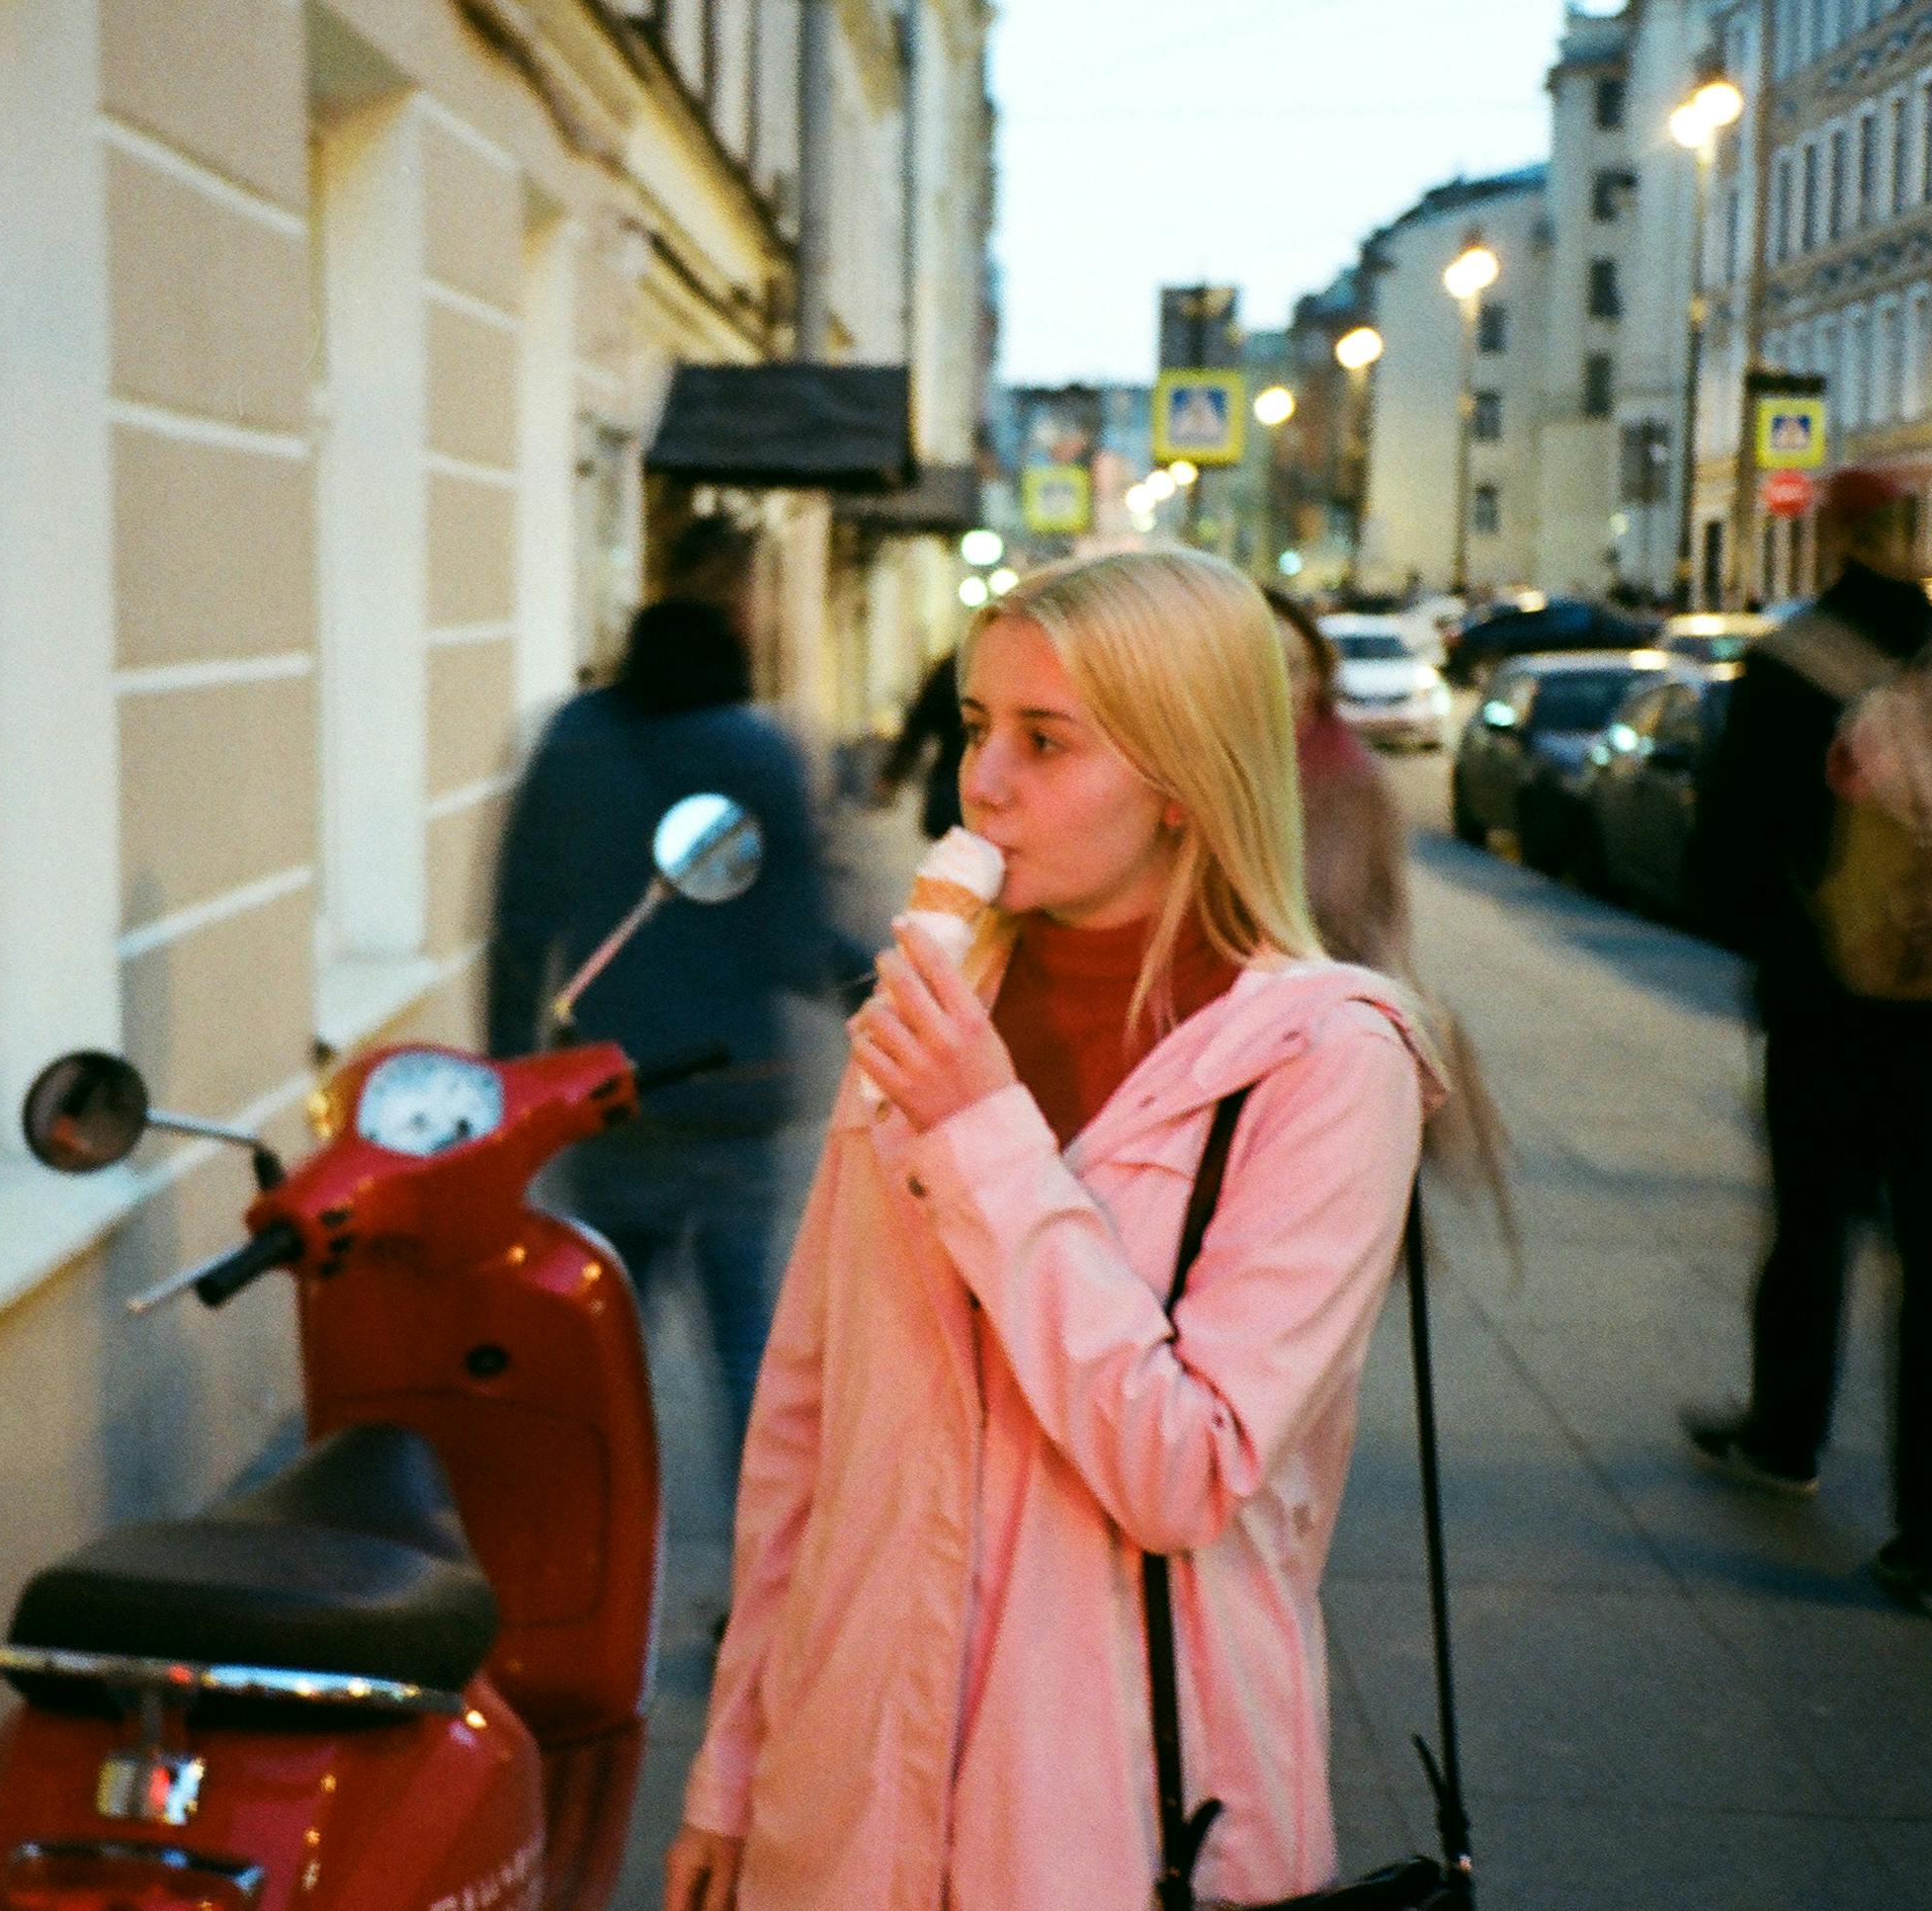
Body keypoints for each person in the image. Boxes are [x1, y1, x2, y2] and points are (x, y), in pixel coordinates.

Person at [664, 549, 1442, 1910]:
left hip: (1120, 1822)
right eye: (976, 725)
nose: (981, 782)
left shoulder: (1325, 1064)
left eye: (1043, 740)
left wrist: (978, 1126)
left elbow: (1184, 1471)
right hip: (848, 1794)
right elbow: (805, 1422)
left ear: (1179, 774)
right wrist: (733, 1769)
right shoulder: (933, 1002)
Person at [1682, 467, 1932, 1621]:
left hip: (1825, 1003)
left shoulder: (1790, 665)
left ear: (1832, 533)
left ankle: (1783, 1433)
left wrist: (1784, 945)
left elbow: (1724, 846)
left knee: (1809, 1217)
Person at [485, 582, 864, 1485]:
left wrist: (506, 1083)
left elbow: (518, 926)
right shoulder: (757, 751)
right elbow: (792, 942)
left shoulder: (570, 741)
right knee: (742, 1344)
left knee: (603, 1334)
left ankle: (585, 1528)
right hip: (734, 1094)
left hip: (607, 1095)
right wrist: (876, 982)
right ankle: (758, 1551)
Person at [1267, 589, 1517, 1256]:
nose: (1283, 687)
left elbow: (1375, 922)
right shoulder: (1198, 771)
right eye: (1262, 666)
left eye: (1296, 666)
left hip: (1311, 1044)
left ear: (1318, 675)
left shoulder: (1349, 779)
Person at [874, 649, 967, 837]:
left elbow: (916, 729)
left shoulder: (952, 667)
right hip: (953, 781)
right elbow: (917, 728)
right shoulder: (954, 668)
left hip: (952, 780)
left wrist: (892, 775)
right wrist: (892, 774)